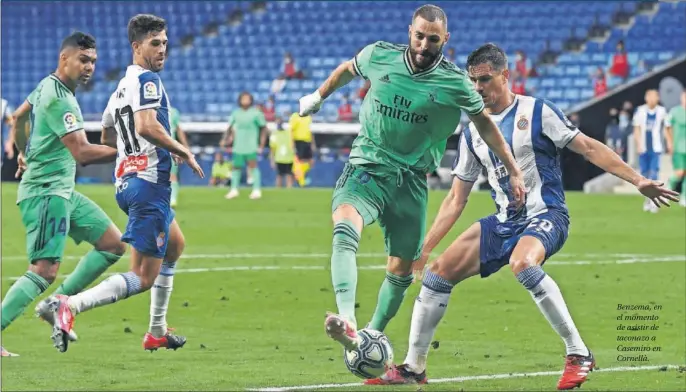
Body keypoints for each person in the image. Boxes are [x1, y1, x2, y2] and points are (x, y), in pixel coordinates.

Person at [368, 43, 678, 390]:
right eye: (473, 81)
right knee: (437, 276)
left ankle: (579, 353)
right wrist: (424, 249)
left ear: (505, 75)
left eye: (485, 79)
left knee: (523, 263)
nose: (478, 88)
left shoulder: (538, 112)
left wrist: (638, 180)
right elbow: (457, 197)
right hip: (503, 222)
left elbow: (589, 147)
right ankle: (414, 367)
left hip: (547, 215)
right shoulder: (472, 131)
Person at [298, 5, 525, 354]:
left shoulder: (455, 83)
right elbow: (347, 69)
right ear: (409, 31)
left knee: (402, 270)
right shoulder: (378, 55)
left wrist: (512, 168)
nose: (423, 45)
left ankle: (367, 337)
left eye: (432, 40)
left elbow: (485, 126)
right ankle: (347, 320)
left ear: (445, 40)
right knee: (345, 225)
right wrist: (317, 97)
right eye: (419, 36)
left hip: (411, 181)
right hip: (368, 166)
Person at [37, 14, 204, 354]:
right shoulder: (148, 82)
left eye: (165, 43)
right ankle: (70, 306)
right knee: (142, 276)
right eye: (155, 43)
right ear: (137, 46)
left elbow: (109, 134)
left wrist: (128, 158)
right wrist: (181, 149)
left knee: (175, 246)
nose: (162, 50)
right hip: (149, 187)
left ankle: (157, 329)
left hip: (128, 185)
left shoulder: (118, 91)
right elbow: (145, 126)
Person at [1, 32, 127, 356]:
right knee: (44, 270)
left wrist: (21, 151)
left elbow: (18, 117)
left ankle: (60, 304)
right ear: (64, 59)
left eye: (93, 62)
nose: (89, 67)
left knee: (113, 244)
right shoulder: (61, 99)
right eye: (83, 60)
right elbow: (82, 153)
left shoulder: (46, 85)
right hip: (46, 194)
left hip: (62, 192)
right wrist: (126, 150)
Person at [221, 92, 268, 200]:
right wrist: (225, 139)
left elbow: (264, 129)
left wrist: (261, 144)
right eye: (243, 98)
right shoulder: (236, 113)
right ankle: (234, 189)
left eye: (247, 98)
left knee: (253, 166)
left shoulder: (256, 113)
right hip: (238, 145)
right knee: (236, 167)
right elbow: (230, 127)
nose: (245, 100)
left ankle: (256, 189)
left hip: (251, 145)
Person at [633, 89, 669, 213]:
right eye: (650, 96)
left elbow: (666, 128)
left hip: (656, 147)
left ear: (658, 98)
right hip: (643, 148)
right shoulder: (640, 111)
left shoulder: (662, 111)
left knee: (654, 174)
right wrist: (638, 144)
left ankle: (654, 201)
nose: (652, 99)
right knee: (644, 175)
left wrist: (669, 142)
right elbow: (636, 129)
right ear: (646, 97)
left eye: (655, 96)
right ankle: (647, 200)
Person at [666, 91, 686, 206]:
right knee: (679, 172)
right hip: (679, 147)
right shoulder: (675, 111)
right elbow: (667, 127)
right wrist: (670, 142)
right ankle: (667, 192)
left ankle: (684, 198)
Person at [169, 106, 189, 207]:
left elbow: (178, 129)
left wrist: (185, 146)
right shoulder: (151, 110)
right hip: (155, 148)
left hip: (171, 147)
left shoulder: (173, 112)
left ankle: (173, 199)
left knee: (172, 174)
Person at [289, 110, 316, 187]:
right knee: (298, 162)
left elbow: (310, 131)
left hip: (307, 141)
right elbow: (292, 130)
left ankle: (302, 178)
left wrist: (312, 143)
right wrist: (292, 143)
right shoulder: (295, 116)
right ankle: (297, 181)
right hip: (299, 141)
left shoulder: (308, 117)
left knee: (310, 161)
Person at [270, 117, 295, 188]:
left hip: (288, 157)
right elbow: (272, 149)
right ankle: (279, 190)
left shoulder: (288, 133)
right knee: (280, 176)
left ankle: (289, 190)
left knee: (288, 175)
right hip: (279, 158)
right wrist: (272, 160)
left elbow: (292, 144)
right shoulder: (274, 134)